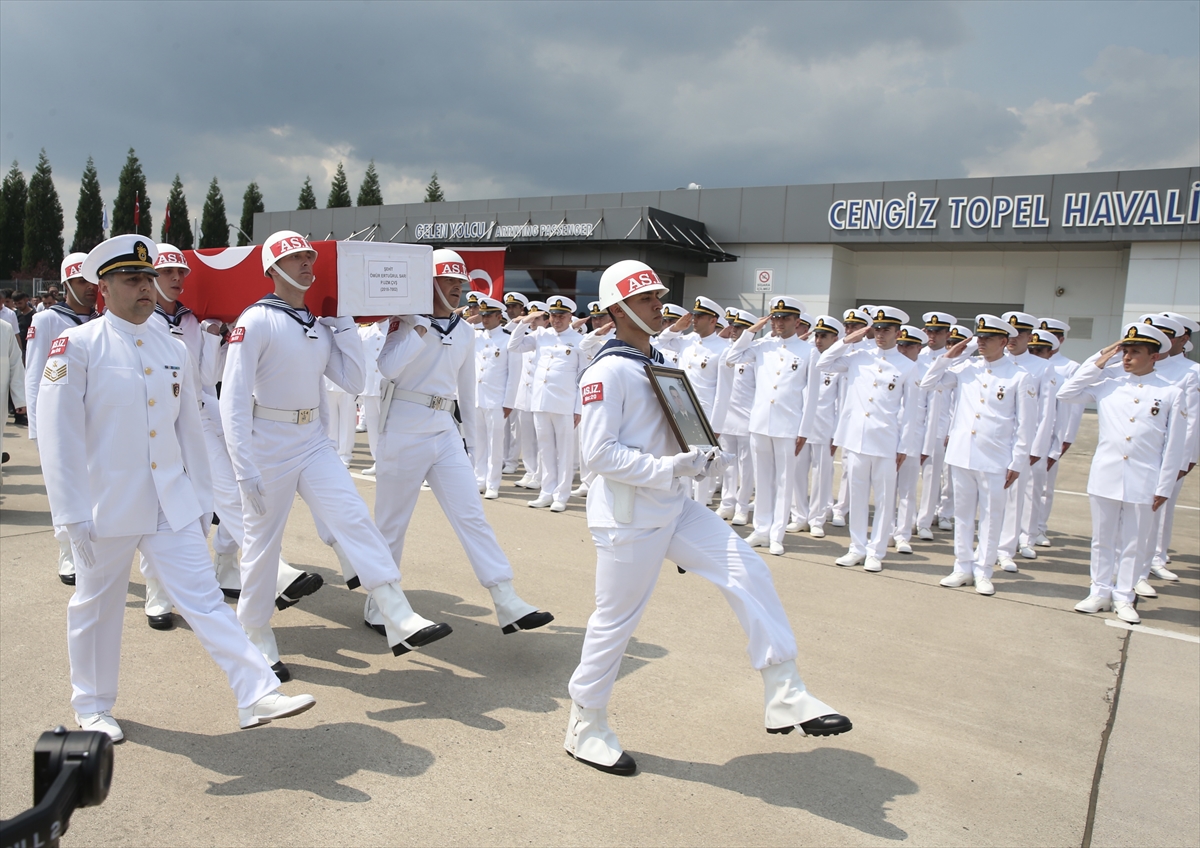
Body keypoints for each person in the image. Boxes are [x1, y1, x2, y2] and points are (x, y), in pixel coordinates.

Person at [564, 259, 850, 776]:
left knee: (748, 569)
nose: (660, 304)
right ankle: (586, 724)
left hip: (673, 505)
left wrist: (700, 453)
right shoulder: (607, 370)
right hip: (628, 516)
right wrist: (670, 465)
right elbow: (598, 455)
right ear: (619, 309)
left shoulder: (659, 360)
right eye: (648, 298)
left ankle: (784, 689)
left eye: (657, 295)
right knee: (615, 624)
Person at [38, 234, 316, 742]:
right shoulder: (76, 346)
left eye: (149, 279)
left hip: (171, 500)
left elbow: (191, 428)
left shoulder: (172, 347)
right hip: (106, 504)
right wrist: (70, 514)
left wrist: (204, 498)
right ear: (104, 286)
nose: (146, 289)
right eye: (133, 280)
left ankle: (256, 692)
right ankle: (93, 705)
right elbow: (58, 437)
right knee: (95, 606)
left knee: (205, 599)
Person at [220, 230, 451, 679]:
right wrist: (242, 464)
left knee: (353, 518)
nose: (307, 263)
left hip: (312, 440)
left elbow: (351, 379)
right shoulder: (257, 320)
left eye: (308, 257)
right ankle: (255, 630)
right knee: (263, 545)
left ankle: (396, 610)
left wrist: (342, 323)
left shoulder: (315, 322)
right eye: (295, 258)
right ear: (272, 269)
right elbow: (232, 398)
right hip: (268, 442)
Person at [370, 249, 553, 636]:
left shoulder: (466, 331)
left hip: (444, 429)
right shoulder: (402, 323)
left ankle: (506, 599)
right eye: (448, 281)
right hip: (403, 426)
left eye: (460, 283)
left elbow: (466, 393)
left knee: (471, 514)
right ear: (428, 283)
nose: (457, 289)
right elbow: (386, 368)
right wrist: (419, 328)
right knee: (391, 524)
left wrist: (470, 441)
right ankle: (378, 605)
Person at [148, 244, 322, 632]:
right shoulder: (144, 322)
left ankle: (243, 570)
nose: (176, 279)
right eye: (166, 273)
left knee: (229, 492)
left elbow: (207, 377)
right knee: (166, 509)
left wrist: (213, 338)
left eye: (181, 273)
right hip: (161, 421)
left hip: (202, 416)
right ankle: (157, 593)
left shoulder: (194, 321)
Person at [1059, 323, 1185, 624]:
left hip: (1145, 478)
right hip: (1107, 474)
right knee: (1102, 540)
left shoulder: (1170, 392)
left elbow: (1174, 444)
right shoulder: (1108, 384)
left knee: (1134, 541)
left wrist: (1164, 485)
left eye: (1135, 352)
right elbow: (1067, 392)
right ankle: (1099, 591)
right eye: (1124, 351)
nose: (1127, 357)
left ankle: (1124, 596)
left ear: (1154, 357)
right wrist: (1103, 356)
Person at [920, 315, 1035, 596]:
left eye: (987, 338)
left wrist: (1018, 461)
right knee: (962, 515)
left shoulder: (1020, 376)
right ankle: (962, 566)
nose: (981, 342)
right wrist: (950, 355)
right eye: (979, 337)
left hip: (995, 458)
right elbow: (928, 382)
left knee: (991, 517)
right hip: (962, 455)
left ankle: (984, 570)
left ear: (1003, 342)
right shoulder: (966, 369)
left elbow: (1025, 424)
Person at [815, 306, 920, 572]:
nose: (881, 335)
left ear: (898, 332)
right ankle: (857, 547)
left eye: (887, 330)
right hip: (857, 439)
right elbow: (822, 363)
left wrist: (905, 446)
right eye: (878, 329)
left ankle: (876, 551)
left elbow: (911, 412)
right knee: (858, 497)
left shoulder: (907, 366)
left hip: (886, 442)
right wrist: (846, 340)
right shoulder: (858, 356)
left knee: (885, 500)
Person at [24, 253, 100, 585]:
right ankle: (67, 551)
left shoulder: (102, 320)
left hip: (95, 420)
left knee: (92, 486)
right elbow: (34, 374)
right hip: (61, 420)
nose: (90, 288)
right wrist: (39, 429)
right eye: (82, 281)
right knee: (63, 486)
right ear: (67, 283)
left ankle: (90, 547)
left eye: (94, 282)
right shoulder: (48, 321)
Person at [726, 296, 815, 556]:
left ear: (797, 321)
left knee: (784, 480)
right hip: (761, 422)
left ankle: (777, 533)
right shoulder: (762, 345)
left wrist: (804, 430)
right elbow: (732, 357)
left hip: (789, 425)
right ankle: (761, 529)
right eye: (775, 317)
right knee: (761, 479)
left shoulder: (808, 351)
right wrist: (753, 330)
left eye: (785, 318)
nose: (778, 322)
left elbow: (811, 395)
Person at [1135, 313, 1199, 589]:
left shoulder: (1190, 372)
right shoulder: (1141, 365)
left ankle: (1155, 559)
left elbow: (1193, 419)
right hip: (1138, 450)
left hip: (1168, 453)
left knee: (1162, 508)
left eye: (1166, 335)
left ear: (1182, 339)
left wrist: (1186, 458)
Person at [508, 295, 586, 511]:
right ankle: (546, 491)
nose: (557, 320)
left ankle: (561, 495)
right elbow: (514, 346)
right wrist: (525, 321)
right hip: (541, 401)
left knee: (564, 452)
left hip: (565, 403)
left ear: (570, 317)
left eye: (561, 316)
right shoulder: (541, 335)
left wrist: (578, 407)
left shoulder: (579, 341)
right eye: (553, 315)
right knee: (545, 450)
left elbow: (582, 376)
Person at [995, 311, 1057, 572]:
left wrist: (1036, 448)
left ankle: (1007, 549)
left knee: (1016, 496)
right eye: (1008, 332)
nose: (1012, 337)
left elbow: (1046, 412)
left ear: (1030, 337)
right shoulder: (994, 361)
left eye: (1019, 333)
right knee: (990, 499)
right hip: (994, 442)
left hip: (1022, 443)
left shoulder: (1042, 367)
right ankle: (987, 544)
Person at [1035, 318, 1081, 547]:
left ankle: (1039, 528)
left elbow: (1072, 409)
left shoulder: (1069, 367)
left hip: (1052, 436)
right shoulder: (1028, 363)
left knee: (1044, 487)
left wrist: (1065, 440)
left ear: (1060, 340)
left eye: (1052, 335)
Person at [797, 315, 844, 538]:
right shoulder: (807, 356)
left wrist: (838, 433)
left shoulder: (841, 362)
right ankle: (798, 515)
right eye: (817, 335)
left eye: (824, 336)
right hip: (801, 425)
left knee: (822, 475)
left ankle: (817, 518)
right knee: (797, 472)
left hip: (826, 426)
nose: (818, 340)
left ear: (836, 338)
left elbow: (843, 402)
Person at [711, 309, 759, 525]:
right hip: (728, 416)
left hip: (748, 418)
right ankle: (727, 503)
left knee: (747, 467)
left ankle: (742, 506)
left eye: (739, 328)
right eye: (733, 326)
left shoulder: (755, 354)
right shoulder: (727, 352)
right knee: (728, 465)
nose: (733, 331)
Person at [829, 307, 872, 527]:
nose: (849, 329)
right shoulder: (842, 349)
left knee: (854, 466)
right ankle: (838, 507)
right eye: (847, 325)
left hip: (859, 416)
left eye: (855, 326)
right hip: (838, 413)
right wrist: (844, 342)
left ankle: (847, 508)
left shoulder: (869, 352)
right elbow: (824, 363)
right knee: (842, 465)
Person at [889, 326, 931, 554]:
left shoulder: (926, 371)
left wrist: (926, 445)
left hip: (914, 438)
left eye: (909, 346)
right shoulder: (891, 365)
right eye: (901, 344)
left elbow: (932, 411)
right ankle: (886, 530)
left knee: (906, 490)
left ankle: (903, 535)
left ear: (919, 347)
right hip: (888, 436)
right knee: (886, 488)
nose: (904, 349)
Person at [915, 311, 956, 539]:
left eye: (937, 331)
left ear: (947, 334)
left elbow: (959, 401)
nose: (932, 335)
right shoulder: (915, 356)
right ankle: (908, 518)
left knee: (932, 477)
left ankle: (925, 522)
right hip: (914, 427)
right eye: (929, 330)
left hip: (940, 427)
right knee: (908, 477)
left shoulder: (955, 362)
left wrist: (952, 430)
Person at [504, 299, 547, 489]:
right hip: (525, 395)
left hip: (541, 395)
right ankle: (530, 472)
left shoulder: (548, 337)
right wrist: (522, 323)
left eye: (537, 318)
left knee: (541, 439)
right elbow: (512, 345)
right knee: (527, 439)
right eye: (532, 317)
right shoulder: (528, 337)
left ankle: (541, 475)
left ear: (547, 319)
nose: (534, 321)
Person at [472, 295, 511, 498]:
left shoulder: (507, 339)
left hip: (497, 400)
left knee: (495, 444)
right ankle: (479, 479)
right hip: (478, 398)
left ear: (499, 316)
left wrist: (509, 401)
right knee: (478, 443)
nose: (484, 319)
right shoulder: (477, 337)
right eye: (482, 315)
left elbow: (513, 374)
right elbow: (457, 325)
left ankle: (493, 483)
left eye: (488, 315)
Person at [356, 319, 387, 476]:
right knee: (373, 428)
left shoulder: (396, 330)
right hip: (369, 386)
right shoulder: (364, 332)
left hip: (387, 388)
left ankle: (391, 461)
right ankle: (378, 461)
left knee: (388, 428)